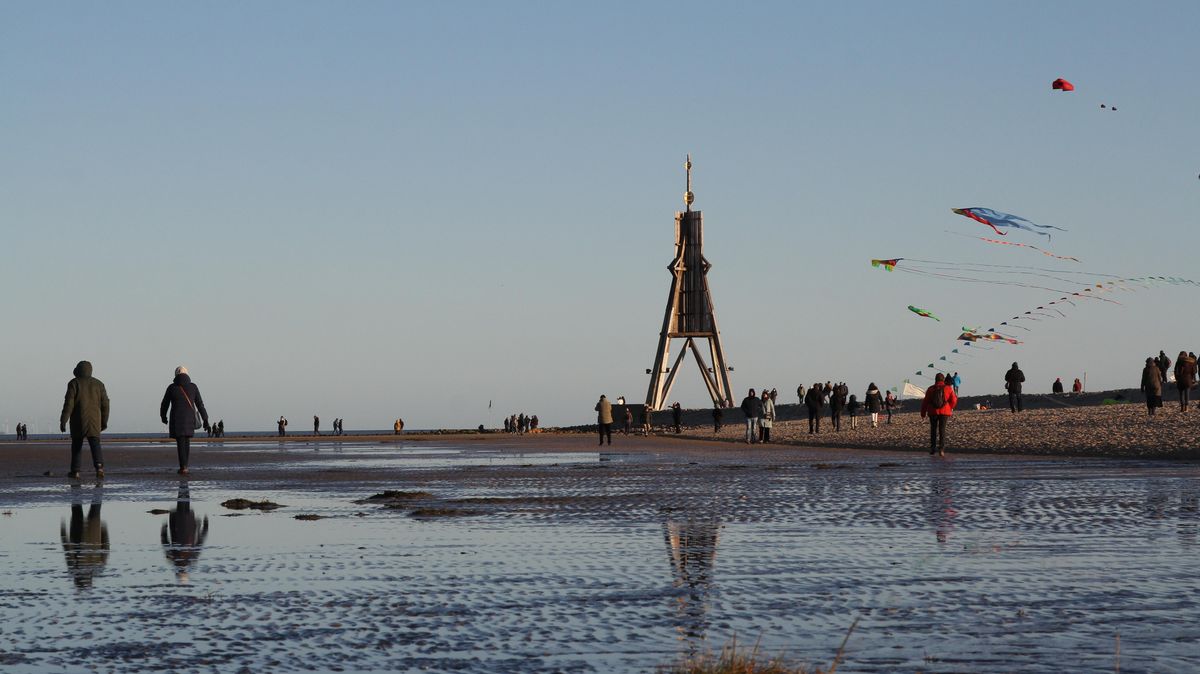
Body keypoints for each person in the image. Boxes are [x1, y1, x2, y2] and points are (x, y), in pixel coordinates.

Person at [60, 361, 110, 480]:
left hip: (78, 421)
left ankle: (75, 471)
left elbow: (68, 404)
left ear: (78, 370)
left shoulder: (74, 383)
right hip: (94, 421)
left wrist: (63, 420)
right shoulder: (99, 384)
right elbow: (105, 405)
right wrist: (104, 422)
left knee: (77, 446)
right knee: (95, 445)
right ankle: (99, 468)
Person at [160, 366, 210, 475]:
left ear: (176, 375)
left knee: (180, 442)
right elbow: (200, 405)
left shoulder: (172, 388)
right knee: (186, 442)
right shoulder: (193, 387)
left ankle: (183, 467)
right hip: (190, 418)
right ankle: (185, 465)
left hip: (176, 419)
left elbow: (164, 404)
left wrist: (163, 417)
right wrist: (205, 419)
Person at [920, 372, 958, 456]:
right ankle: (941, 449)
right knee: (942, 430)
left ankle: (933, 448)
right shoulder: (948, 388)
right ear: (943, 379)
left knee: (933, 430)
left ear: (935, 379)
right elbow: (954, 400)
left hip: (932, 412)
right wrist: (949, 407)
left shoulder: (930, 389)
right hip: (945, 412)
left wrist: (923, 413)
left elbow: (925, 402)